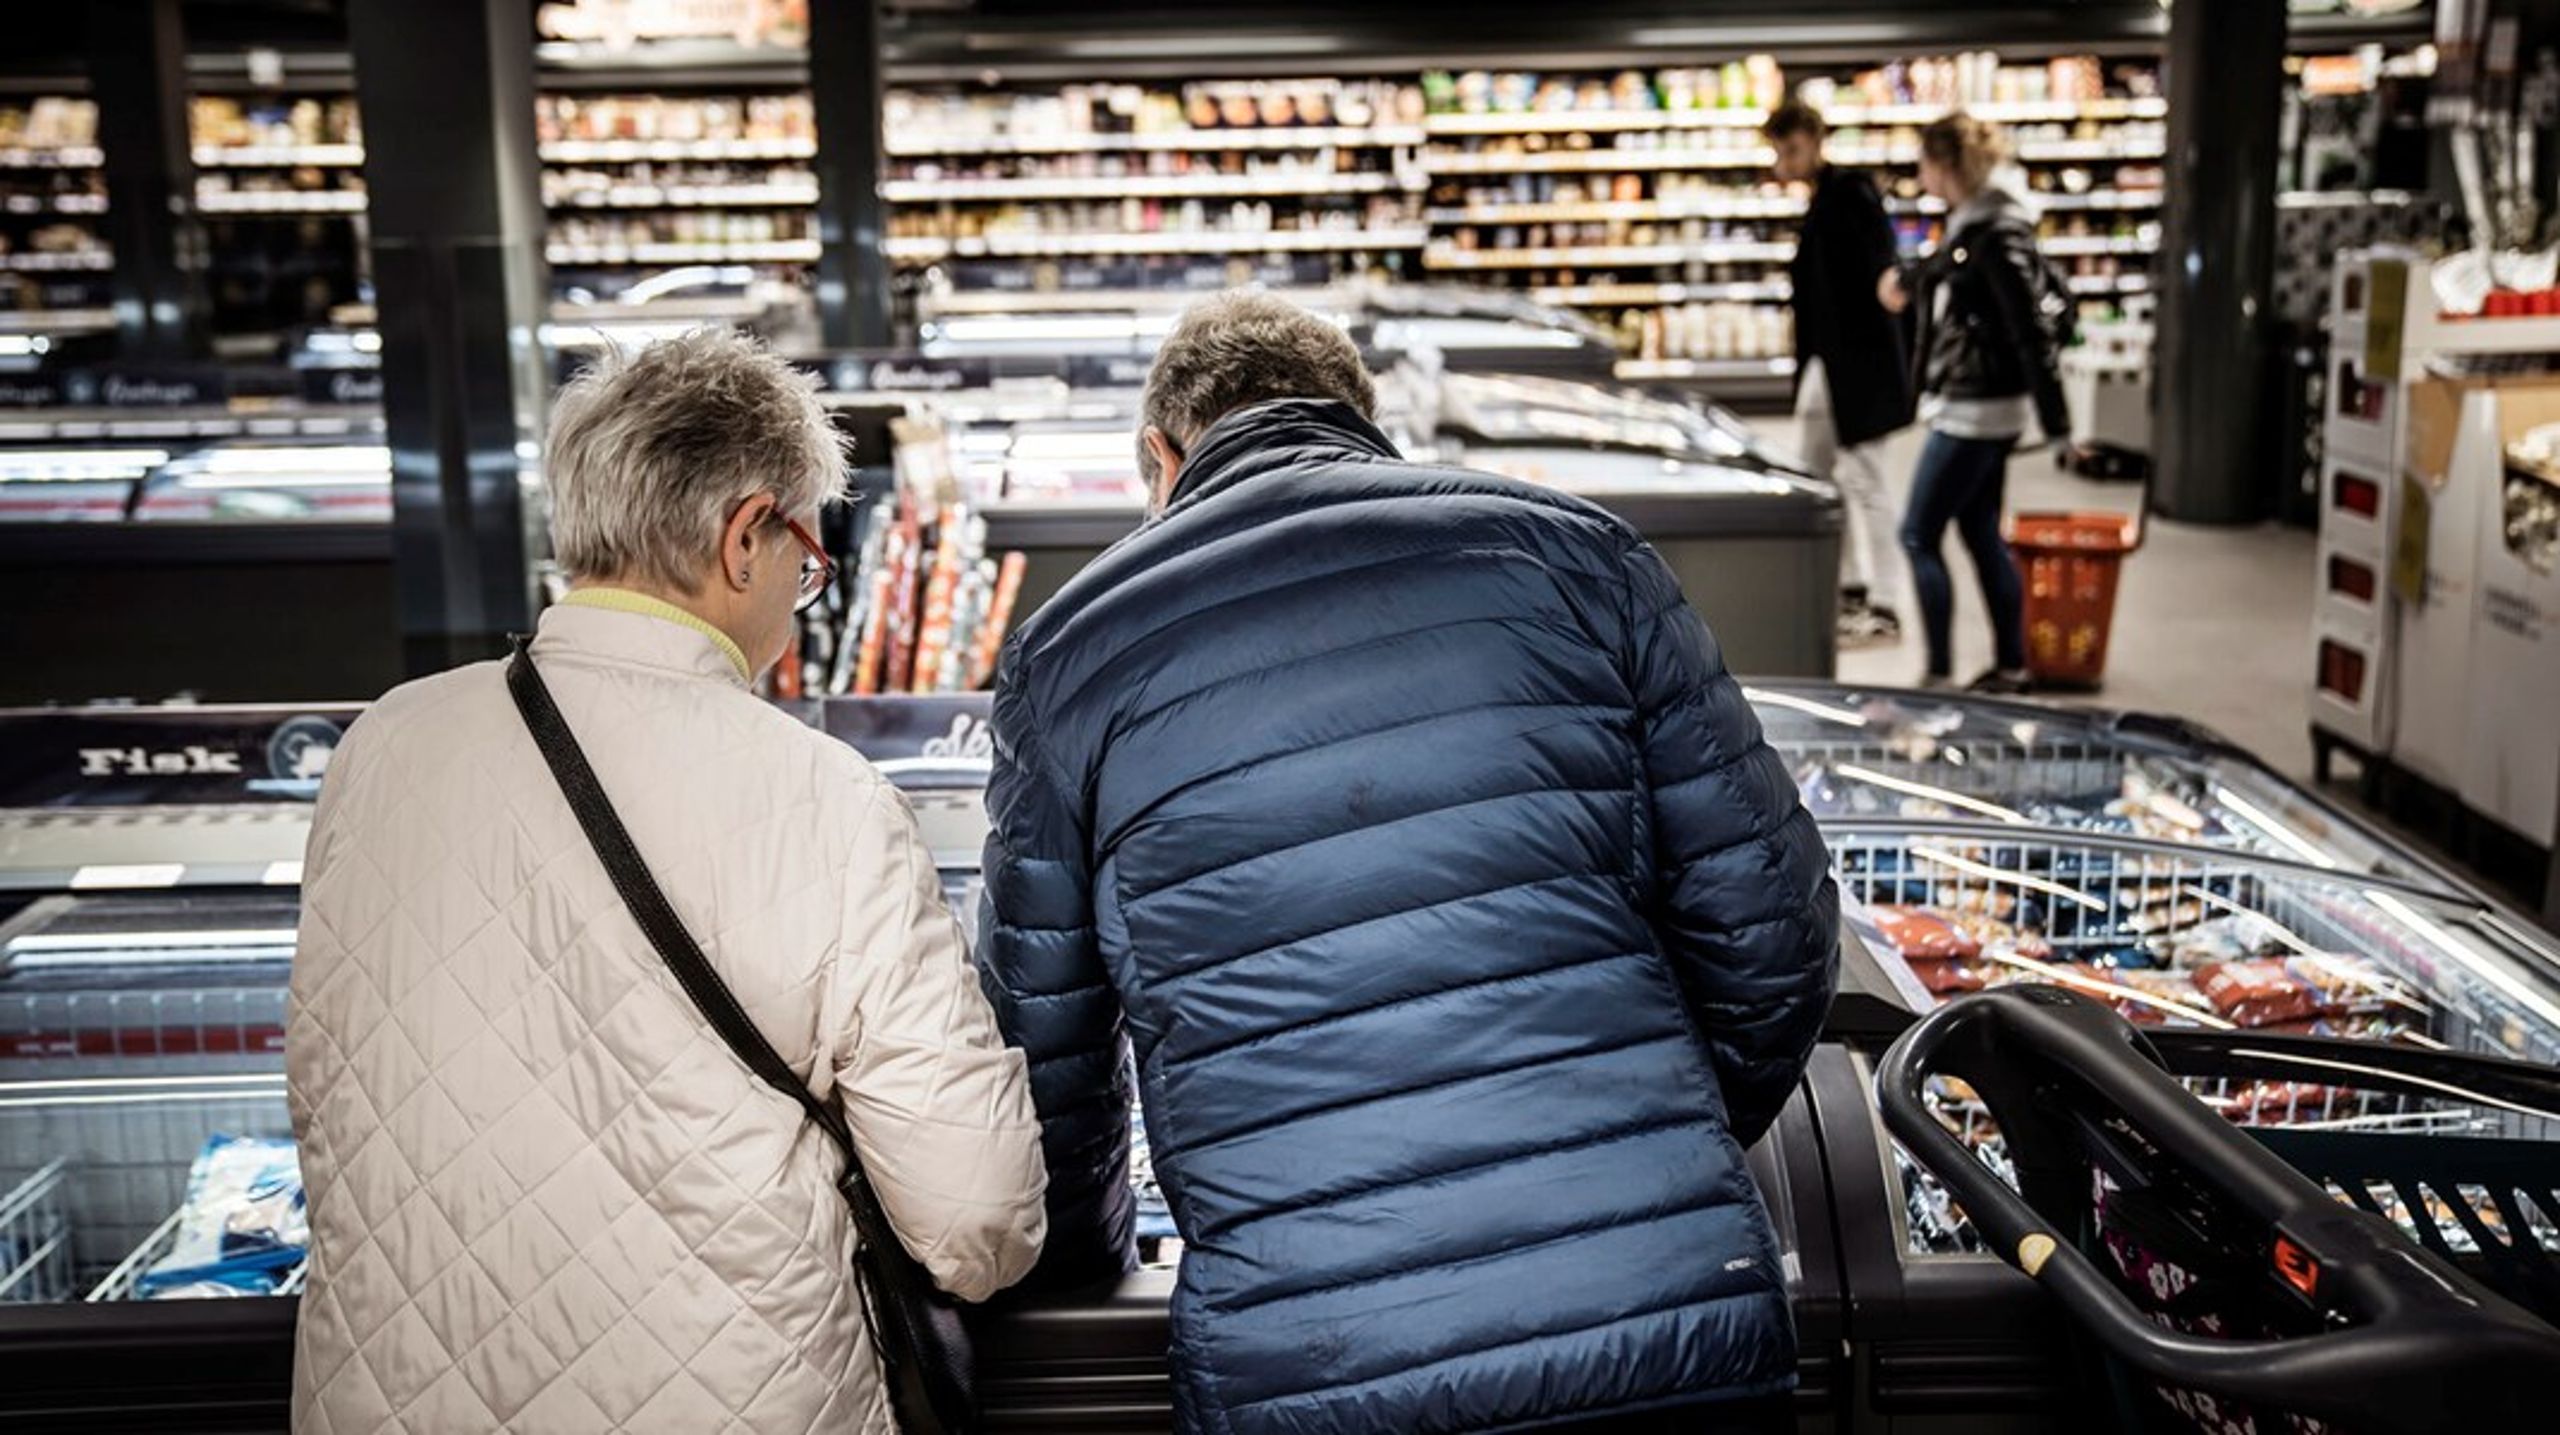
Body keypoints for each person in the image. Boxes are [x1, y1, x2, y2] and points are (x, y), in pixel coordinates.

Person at [977, 291, 1840, 1435]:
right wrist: (1649, 1144)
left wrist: (1095, 1262)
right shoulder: (1581, 555)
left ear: (1160, 455)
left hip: (1313, 1355)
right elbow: (1775, 938)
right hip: (1656, 1317)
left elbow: (1050, 1057)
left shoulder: (1069, 656)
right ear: (1360, 421)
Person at [286, 330, 1047, 1434]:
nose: (802, 591)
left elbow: (327, 1088)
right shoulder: (824, 797)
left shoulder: (383, 745)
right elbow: (974, 1216)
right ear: (746, 536)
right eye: (807, 556)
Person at [1878, 112, 2070, 695]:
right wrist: (1910, 280)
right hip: (1983, 406)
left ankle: (1938, 673)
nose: (1918, 173)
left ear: (1946, 166)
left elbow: (2029, 331)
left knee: (1917, 533)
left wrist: (2061, 427)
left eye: (1923, 162)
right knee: (1981, 532)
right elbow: (1950, 271)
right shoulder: (1977, 224)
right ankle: (2011, 666)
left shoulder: (1996, 231)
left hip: (1977, 412)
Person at [1765, 96, 1913, 648]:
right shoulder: (1823, 197)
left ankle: (1887, 605)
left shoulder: (1850, 191)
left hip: (1862, 369)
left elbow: (1882, 267)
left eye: (1792, 150)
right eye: (1780, 152)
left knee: (1868, 480)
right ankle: (1849, 588)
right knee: (1816, 475)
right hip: (1829, 369)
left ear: (1815, 139)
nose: (1785, 162)